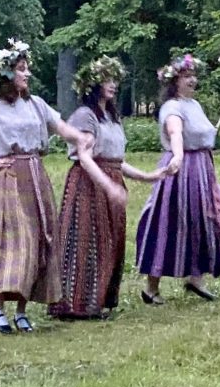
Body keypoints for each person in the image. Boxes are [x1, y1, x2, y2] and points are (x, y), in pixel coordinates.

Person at [0, 39, 106, 334]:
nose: (27, 74)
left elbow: (60, 126)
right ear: (7, 74)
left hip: (35, 177)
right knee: (11, 241)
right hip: (6, 180)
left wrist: (80, 138)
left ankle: (22, 311)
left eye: (27, 69)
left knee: (36, 240)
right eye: (22, 69)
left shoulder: (35, 104)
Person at [136, 54, 220, 303]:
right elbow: (175, 132)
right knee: (169, 223)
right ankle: (151, 288)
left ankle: (196, 278)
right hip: (180, 172)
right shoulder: (172, 107)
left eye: (193, 76)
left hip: (201, 170)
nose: (192, 80)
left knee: (203, 221)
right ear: (174, 81)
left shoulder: (194, 105)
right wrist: (177, 156)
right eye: (186, 76)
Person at [50, 56, 164, 320]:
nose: (112, 84)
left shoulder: (112, 117)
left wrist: (149, 176)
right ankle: (77, 304)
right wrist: (108, 186)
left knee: (110, 241)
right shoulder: (85, 116)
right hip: (88, 185)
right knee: (87, 241)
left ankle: (99, 300)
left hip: (110, 179)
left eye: (114, 80)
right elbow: (86, 158)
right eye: (106, 80)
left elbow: (117, 161)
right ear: (93, 85)